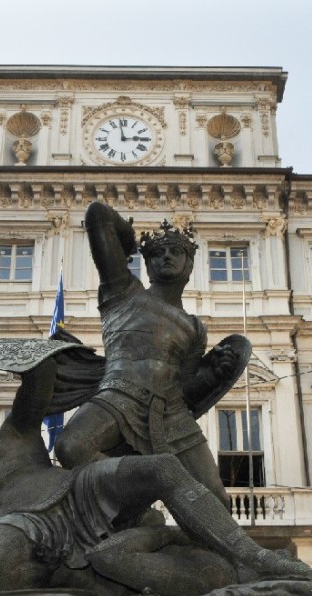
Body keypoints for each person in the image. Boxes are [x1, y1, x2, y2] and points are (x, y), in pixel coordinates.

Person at [0, 351, 312, 596]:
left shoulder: (15, 432)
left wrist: (1, 353)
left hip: (78, 490)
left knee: (160, 467)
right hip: (27, 530)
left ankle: (255, 556)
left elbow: (41, 373)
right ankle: (84, 587)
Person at [53, 202, 238, 507]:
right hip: (117, 396)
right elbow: (97, 213)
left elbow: (185, 389)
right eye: (158, 253)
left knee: (217, 499)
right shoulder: (123, 290)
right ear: (148, 264)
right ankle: (150, 482)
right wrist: (127, 241)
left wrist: (214, 375)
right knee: (71, 447)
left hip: (171, 413)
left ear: (189, 264)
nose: (166, 256)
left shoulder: (195, 327)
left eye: (175, 251)